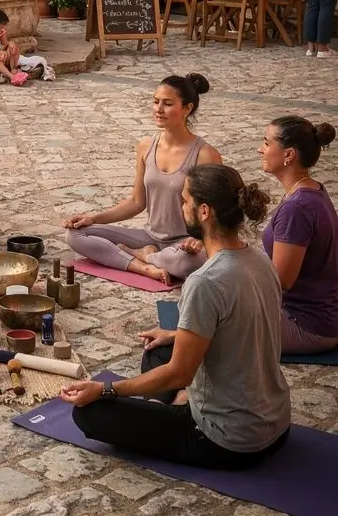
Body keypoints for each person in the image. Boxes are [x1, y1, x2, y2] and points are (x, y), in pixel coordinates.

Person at [61, 164, 291, 470]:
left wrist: (105, 389)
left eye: (184, 201)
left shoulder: (205, 281)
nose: (181, 208)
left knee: (89, 414)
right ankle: (173, 404)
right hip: (277, 426)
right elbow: (244, 327)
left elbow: (179, 374)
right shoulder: (260, 259)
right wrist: (174, 336)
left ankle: (174, 407)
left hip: (228, 441)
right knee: (158, 351)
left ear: (204, 211)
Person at [64, 73, 222, 284]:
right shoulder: (146, 146)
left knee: (189, 263)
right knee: (75, 235)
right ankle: (144, 267)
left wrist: (199, 240)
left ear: (187, 109)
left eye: (167, 104)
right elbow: (136, 202)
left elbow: (216, 210)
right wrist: (93, 218)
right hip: (149, 236)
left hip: (184, 243)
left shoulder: (205, 154)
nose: (158, 109)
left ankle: (142, 255)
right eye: (155, 101)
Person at [259, 115, 338, 354]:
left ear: (289, 155)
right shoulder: (311, 190)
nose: (260, 149)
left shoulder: (297, 208)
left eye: (266, 143)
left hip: (305, 323)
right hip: (312, 314)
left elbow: (281, 281)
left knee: (217, 325)